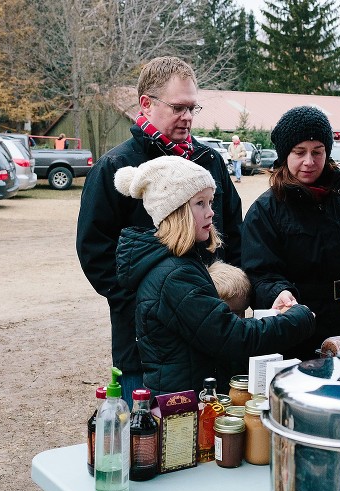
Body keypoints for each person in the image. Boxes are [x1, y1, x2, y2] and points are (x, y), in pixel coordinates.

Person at [76, 56, 243, 405]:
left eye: (192, 108)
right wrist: (146, 306)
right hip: (146, 349)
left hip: (213, 334)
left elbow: (235, 235)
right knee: (148, 445)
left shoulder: (209, 162)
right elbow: (95, 252)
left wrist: (235, 291)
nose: (187, 117)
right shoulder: (115, 167)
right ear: (146, 104)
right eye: (178, 107)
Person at [114, 156, 315, 396]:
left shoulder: (179, 264)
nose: (211, 212)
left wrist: (274, 315)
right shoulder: (174, 276)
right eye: (200, 203)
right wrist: (297, 318)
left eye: (211, 202)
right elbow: (232, 337)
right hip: (184, 408)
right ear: (174, 210)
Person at [241, 106, 340, 361]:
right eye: (300, 152)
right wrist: (278, 292)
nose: (309, 162)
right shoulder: (265, 210)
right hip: (295, 332)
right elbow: (259, 274)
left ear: (327, 152)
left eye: (317, 152)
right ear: (285, 154)